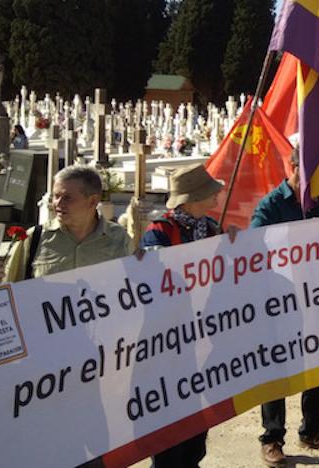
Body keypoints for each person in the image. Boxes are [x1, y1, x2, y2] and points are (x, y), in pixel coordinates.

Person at [251, 150, 319, 465]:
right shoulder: (272, 204)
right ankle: (272, 438)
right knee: (277, 369)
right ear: (294, 167)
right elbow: (254, 244)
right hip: (282, 300)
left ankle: (312, 430)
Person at [138, 164, 231, 467]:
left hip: (204, 337)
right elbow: (152, 283)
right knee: (167, 419)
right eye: (210, 194)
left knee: (197, 417)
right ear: (192, 199)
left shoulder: (213, 229)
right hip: (169, 340)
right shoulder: (159, 233)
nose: (217, 197)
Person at [4, 166, 132, 282]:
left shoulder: (119, 238)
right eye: (56, 196)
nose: (58, 203)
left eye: (67, 198)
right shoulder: (34, 239)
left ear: (93, 201)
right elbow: (8, 287)